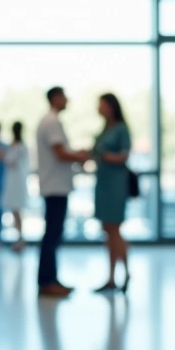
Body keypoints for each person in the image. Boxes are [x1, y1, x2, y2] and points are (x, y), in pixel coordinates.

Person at [36, 87, 89, 298]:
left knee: (53, 235)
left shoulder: (49, 121)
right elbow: (60, 153)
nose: (67, 99)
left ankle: (51, 279)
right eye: (64, 96)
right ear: (56, 98)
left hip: (55, 186)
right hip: (55, 186)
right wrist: (81, 156)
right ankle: (47, 281)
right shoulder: (52, 122)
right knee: (52, 235)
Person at [91, 93, 133, 293]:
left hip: (116, 184)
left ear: (111, 107)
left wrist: (106, 156)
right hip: (103, 183)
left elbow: (124, 156)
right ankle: (111, 277)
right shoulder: (104, 130)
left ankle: (125, 272)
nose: (99, 109)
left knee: (115, 230)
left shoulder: (121, 130)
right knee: (108, 231)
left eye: (102, 105)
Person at [1, 121, 30, 253]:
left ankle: (20, 241)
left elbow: (10, 162)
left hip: (16, 183)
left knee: (17, 213)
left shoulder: (18, 147)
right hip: (15, 182)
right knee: (16, 213)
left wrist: (2, 156)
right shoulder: (20, 146)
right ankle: (19, 240)